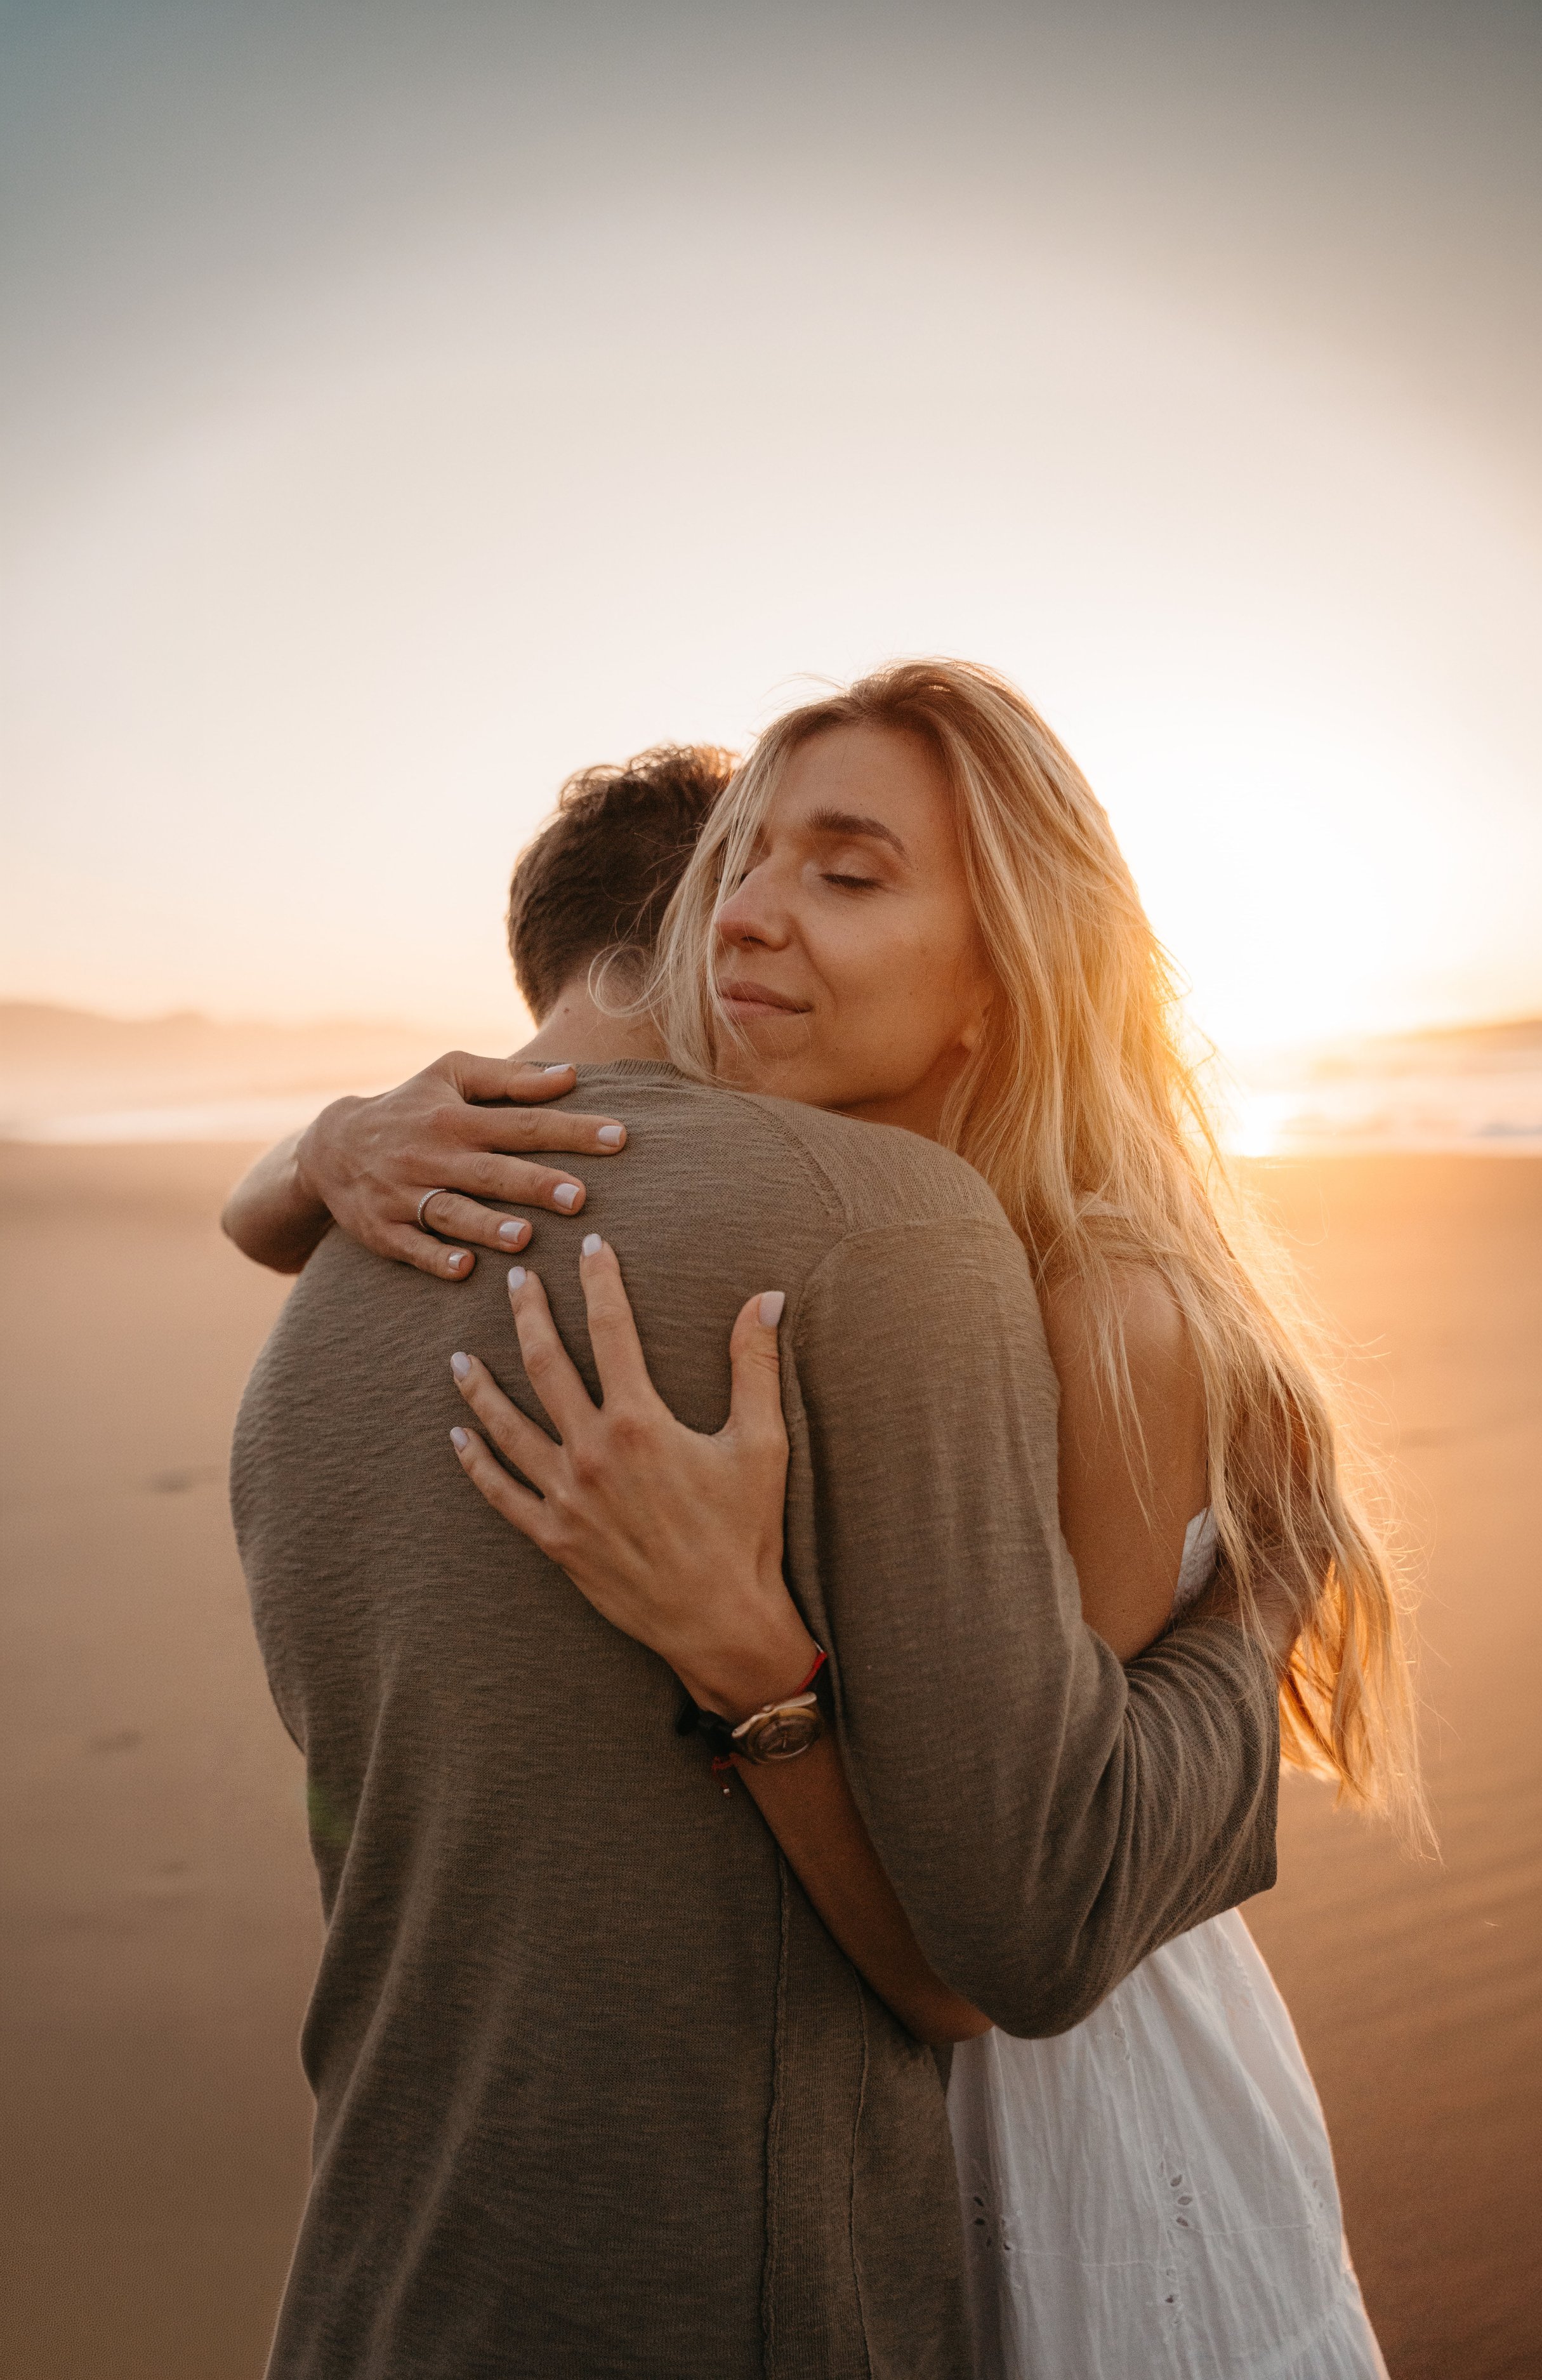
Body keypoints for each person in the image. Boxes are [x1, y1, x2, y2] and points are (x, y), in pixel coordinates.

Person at [244, 664, 1419, 2379]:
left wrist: (749, 1664)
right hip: (845, 2118)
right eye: (740, 867)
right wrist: (317, 1148)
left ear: (1003, 978)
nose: (749, 919)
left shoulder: (1084, 1304)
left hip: (1058, 2128)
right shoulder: (834, 1259)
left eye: (846, 878)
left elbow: (989, 1953)